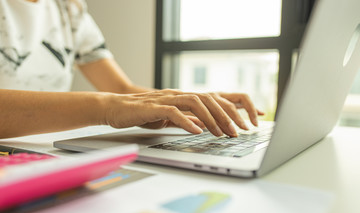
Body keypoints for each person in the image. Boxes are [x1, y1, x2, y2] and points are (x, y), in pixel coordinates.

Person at [0, 0, 264, 140]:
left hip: (45, 151)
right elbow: (113, 100)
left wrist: (185, 102)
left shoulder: (68, 9)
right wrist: (106, 108)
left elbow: (121, 89)